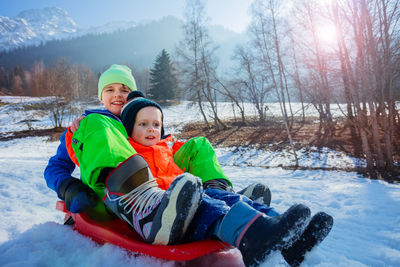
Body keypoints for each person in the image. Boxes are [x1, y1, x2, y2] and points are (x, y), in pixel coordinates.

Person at [114, 90, 333, 266]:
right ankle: (252, 237)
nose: (151, 129)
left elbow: (192, 150)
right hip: (170, 210)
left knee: (227, 198)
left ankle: (287, 235)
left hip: (193, 194)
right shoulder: (131, 154)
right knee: (212, 208)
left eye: (156, 124)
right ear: (128, 128)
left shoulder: (166, 148)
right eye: (142, 124)